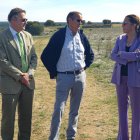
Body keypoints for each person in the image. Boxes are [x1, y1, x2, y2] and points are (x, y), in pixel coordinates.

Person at [41, 11, 94, 140]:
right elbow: (45, 56)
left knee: (75, 110)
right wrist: (55, 73)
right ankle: (53, 137)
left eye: (82, 21)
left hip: (80, 77)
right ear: (69, 20)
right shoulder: (59, 36)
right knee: (59, 110)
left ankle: (71, 136)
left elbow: (90, 54)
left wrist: (84, 67)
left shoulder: (81, 36)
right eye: (78, 20)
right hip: (64, 77)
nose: (81, 23)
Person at [0, 8, 37, 140]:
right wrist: (20, 76)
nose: (26, 22)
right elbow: (2, 61)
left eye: (26, 19)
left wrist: (29, 74)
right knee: (8, 120)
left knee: (26, 118)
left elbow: (34, 58)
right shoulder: (2, 37)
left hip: (28, 83)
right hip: (10, 84)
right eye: (23, 19)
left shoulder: (28, 36)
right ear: (13, 20)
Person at [111, 14, 140, 140]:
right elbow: (112, 55)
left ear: (134, 25)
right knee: (122, 109)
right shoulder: (120, 38)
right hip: (120, 77)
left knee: (137, 112)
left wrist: (122, 54)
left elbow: (138, 56)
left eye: (125, 23)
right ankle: (122, 137)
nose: (122, 25)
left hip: (135, 79)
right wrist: (127, 59)